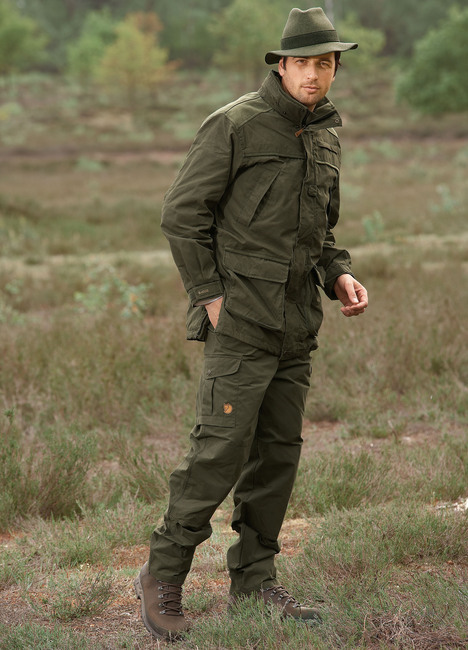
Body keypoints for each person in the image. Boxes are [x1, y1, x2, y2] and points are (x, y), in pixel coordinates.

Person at [135, 6, 368, 640]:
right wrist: (210, 297)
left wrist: (339, 274)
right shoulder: (235, 124)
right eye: (303, 63)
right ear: (281, 65)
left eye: (326, 64)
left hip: (296, 327)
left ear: (335, 69)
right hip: (240, 325)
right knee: (218, 454)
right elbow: (182, 214)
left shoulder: (325, 137)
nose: (314, 75)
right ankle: (163, 575)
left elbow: (319, 233)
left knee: (277, 458)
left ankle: (255, 583)